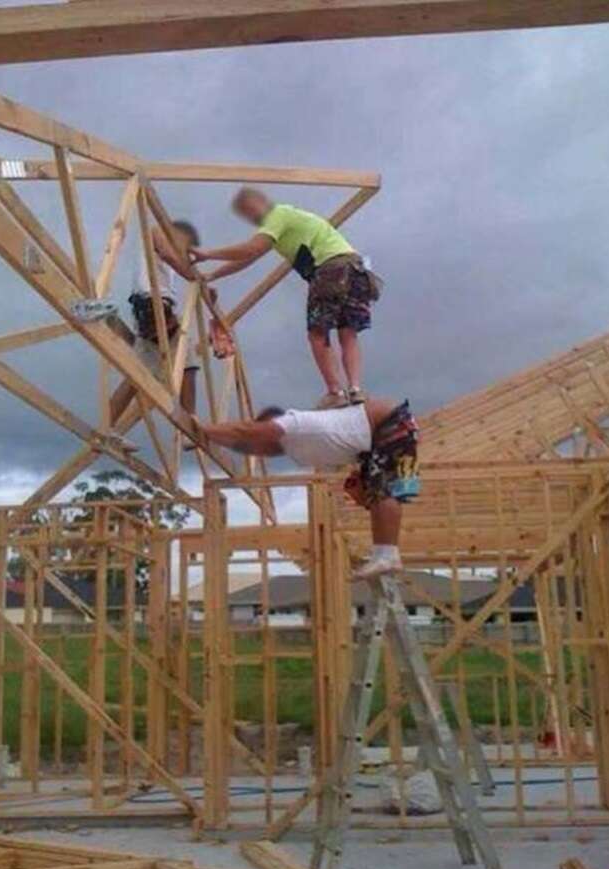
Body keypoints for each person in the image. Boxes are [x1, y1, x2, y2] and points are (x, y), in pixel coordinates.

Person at [189, 188, 380, 410]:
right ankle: (355, 390)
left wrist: (208, 254)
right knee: (348, 332)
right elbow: (249, 257)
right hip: (355, 270)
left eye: (250, 209)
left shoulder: (277, 215)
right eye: (246, 213)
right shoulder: (289, 219)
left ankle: (335, 392)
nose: (252, 217)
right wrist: (213, 274)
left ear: (262, 202)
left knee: (318, 334)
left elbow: (252, 248)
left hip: (330, 270)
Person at [199, 397, 419, 579]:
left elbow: (246, 433)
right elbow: (246, 443)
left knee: (384, 489)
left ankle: (387, 555)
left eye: (262, 433)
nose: (261, 448)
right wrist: (216, 440)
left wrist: (203, 430)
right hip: (377, 435)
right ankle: (385, 554)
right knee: (378, 490)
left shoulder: (292, 424)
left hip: (388, 422)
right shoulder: (298, 449)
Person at [109, 219, 201, 426]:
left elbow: (170, 259)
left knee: (137, 375)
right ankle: (190, 420)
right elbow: (169, 255)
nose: (183, 251)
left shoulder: (160, 261)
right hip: (154, 305)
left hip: (147, 309)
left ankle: (107, 427)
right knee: (188, 362)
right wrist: (197, 278)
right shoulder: (156, 230)